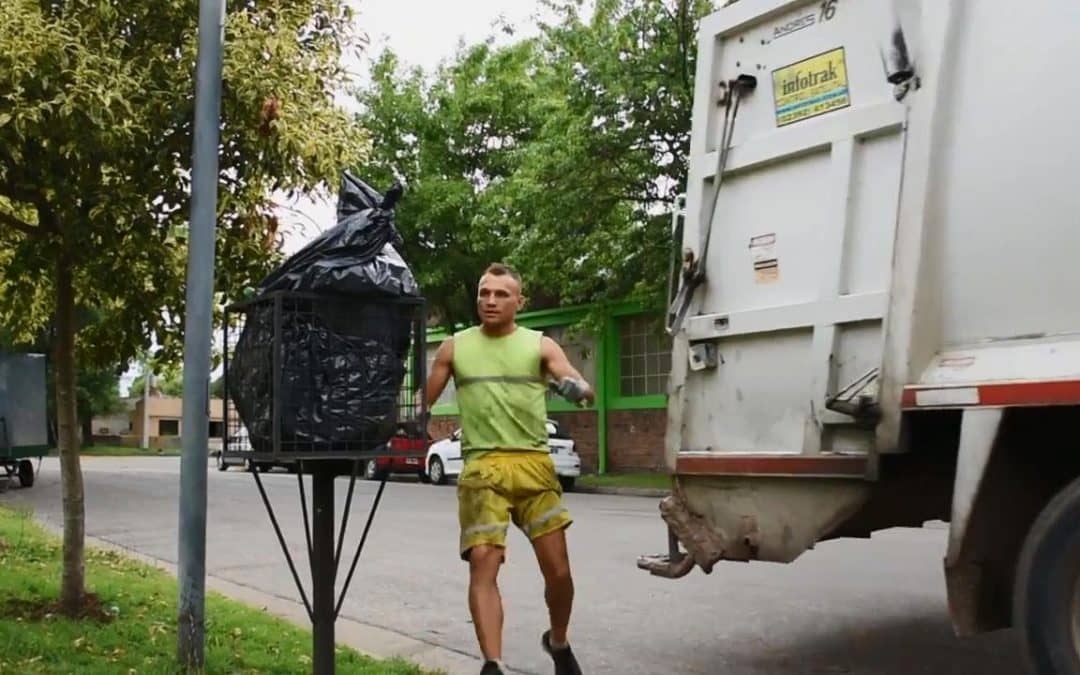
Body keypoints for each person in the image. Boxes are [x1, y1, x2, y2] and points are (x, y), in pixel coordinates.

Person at [422, 262, 594, 675]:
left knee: (559, 571)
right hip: (482, 468)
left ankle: (558, 641)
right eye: (484, 293)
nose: (491, 301)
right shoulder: (454, 347)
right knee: (484, 558)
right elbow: (420, 403)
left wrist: (576, 388)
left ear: (519, 301)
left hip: (534, 467)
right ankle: (492, 664)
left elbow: (579, 384)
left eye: (501, 294)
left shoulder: (540, 346)